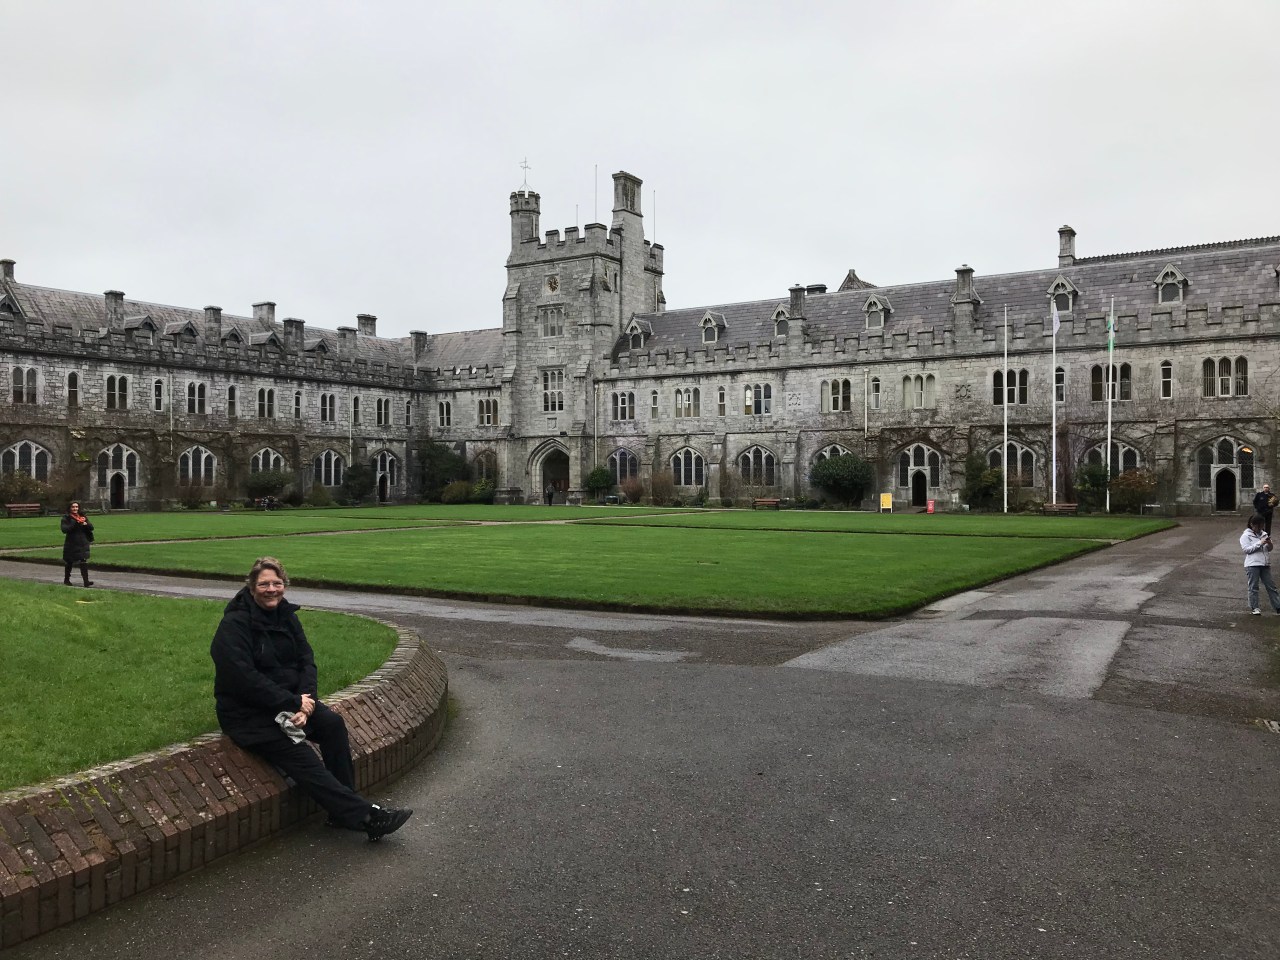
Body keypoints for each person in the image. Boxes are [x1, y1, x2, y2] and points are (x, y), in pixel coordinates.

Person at [210, 557, 412, 841]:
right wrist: (292, 703)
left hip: (292, 703)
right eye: (264, 584)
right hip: (249, 714)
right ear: (252, 588)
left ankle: (341, 812)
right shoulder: (234, 625)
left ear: (284, 585)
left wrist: (307, 703)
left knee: (332, 724)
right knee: (302, 756)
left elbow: (307, 660)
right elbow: (242, 678)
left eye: (277, 583)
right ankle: (366, 817)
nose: (272, 589)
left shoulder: (287, 616)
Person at [1240, 515, 1280, 615]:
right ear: (1252, 525)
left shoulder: (1264, 534)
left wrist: (1269, 544)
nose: (1260, 528)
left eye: (1262, 526)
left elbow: (1268, 549)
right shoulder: (1246, 536)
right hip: (1252, 564)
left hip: (1265, 563)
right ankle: (1255, 607)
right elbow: (1247, 550)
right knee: (1253, 586)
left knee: (1271, 586)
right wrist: (1260, 543)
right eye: (1258, 526)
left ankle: (1278, 606)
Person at [60, 501, 94, 587]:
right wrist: (75, 523)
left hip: (83, 541)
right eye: (73, 507)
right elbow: (64, 530)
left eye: (76, 507)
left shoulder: (83, 516)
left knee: (83, 560)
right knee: (69, 561)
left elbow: (91, 527)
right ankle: (66, 579)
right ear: (70, 508)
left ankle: (86, 581)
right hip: (71, 542)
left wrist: (85, 524)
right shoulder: (66, 518)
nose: (75, 509)